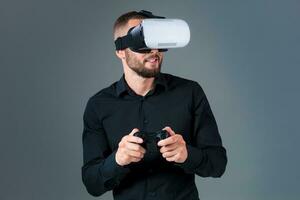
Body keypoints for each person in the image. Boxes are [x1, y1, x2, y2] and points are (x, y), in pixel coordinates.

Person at [81, 10, 227, 200]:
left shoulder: (190, 92)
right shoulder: (99, 106)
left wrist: (187, 155)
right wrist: (117, 160)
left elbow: (218, 165)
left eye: (158, 42)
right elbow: (92, 184)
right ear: (120, 51)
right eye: (142, 42)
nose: (154, 51)